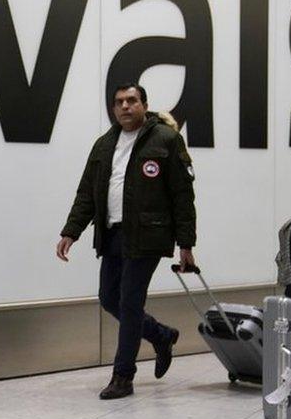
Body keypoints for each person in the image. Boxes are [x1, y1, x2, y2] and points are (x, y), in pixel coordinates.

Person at [56, 82, 196, 400]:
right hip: (113, 234)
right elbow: (86, 193)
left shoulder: (167, 140)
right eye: (119, 102)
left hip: (148, 234)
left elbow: (182, 196)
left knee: (130, 302)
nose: (124, 106)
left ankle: (123, 376)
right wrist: (70, 231)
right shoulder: (105, 144)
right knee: (109, 298)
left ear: (144, 105)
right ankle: (161, 336)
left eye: (132, 100)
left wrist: (186, 244)